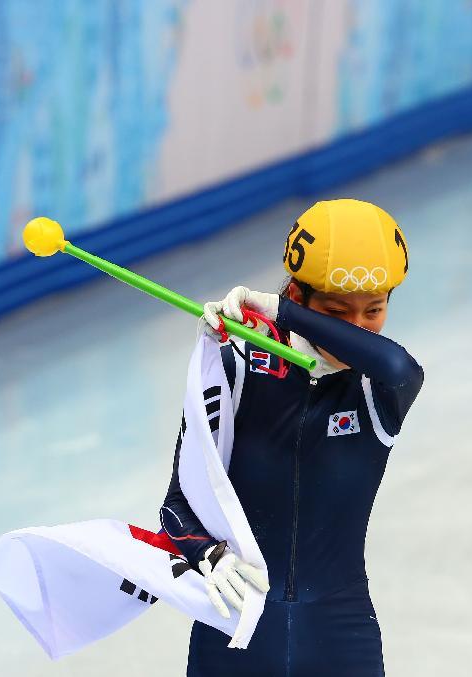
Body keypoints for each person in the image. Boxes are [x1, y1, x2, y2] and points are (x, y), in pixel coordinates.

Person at [160, 198, 423, 676]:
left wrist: (279, 311)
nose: (358, 326)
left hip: (340, 631)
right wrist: (205, 554)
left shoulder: (379, 385)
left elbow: (400, 365)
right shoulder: (235, 366)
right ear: (303, 297)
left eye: (374, 310)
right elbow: (178, 502)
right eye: (337, 311)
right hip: (236, 626)